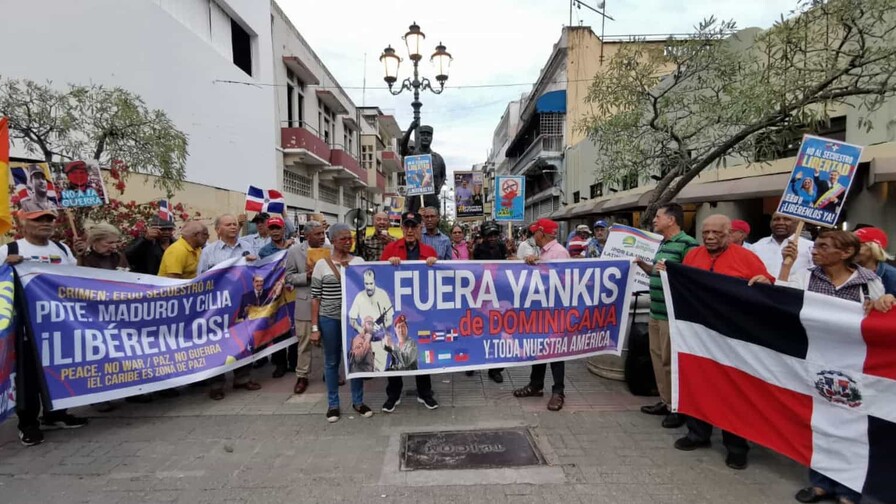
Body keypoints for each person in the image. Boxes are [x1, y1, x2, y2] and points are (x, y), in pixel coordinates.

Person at [773, 230, 894, 504]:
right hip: (816, 361)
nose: (815, 250)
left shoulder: (869, 282)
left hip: (855, 367)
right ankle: (820, 484)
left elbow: (882, 316)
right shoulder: (806, 276)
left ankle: (849, 489)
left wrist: (883, 302)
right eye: (815, 246)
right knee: (820, 423)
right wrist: (785, 267)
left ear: (845, 253)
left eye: (823, 246)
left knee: (852, 425)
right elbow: (782, 302)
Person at [672, 215, 774, 470]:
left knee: (733, 391)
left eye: (716, 232)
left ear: (729, 234)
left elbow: (767, 282)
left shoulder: (746, 257)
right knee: (699, 384)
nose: (709, 237)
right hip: (699, 335)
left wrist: (766, 281)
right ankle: (698, 434)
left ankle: (736, 446)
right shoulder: (693, 256)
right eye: (705, 232)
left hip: (732, 336)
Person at [0, 210, 86, 446]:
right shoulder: (9, 250)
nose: (46, 224)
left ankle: (56, 414)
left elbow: (75, 280)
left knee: (58, 368)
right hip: (26, 325)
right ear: (23, 223)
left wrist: (81, 256)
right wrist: (6, 266)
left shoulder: (62, 249)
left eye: (49, 219)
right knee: (28, 376)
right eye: (39, 220)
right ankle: (27, 424)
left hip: (58, 324)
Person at [634, 203, 698, 429]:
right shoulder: (663, 244)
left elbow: (692, 277)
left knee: (671, 362)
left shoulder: (688, 245)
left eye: (658, 217)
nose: (654, 220)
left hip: (672, 316)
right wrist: (643, 265)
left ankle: (677, 407)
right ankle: (665, 400)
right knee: (658, 359)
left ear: (671, 220)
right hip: (656, 313)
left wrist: (671, 271)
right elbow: (656, 271)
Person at [310, 223, 373, 423]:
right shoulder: (321, 265)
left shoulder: (359, 261)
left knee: (356, 359)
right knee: (331, 361)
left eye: (350, 238)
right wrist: (314, 328)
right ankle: (333, 404)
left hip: (353, 320)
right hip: (329, 319)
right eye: (343, 239)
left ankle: (358, 401)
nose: (348, 242)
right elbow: (315, 297)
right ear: (334, 241)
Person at [380, 211, 440, 413]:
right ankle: (393, 395)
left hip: (422, 312)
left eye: (414, 226)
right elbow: (381, 278)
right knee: (395, 351)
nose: (410, 230)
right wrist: (388, 266)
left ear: (420, 228)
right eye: (406, 226)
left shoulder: (429, 250)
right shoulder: (391, 249)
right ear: (402, 228)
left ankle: (425, 393)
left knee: (422, 350)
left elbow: (439, 281)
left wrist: (434, 264)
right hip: (397, 310)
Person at [196, 215, 260, 400]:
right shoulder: (209, 252)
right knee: (218, 342)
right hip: (218, 304)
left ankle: (242, 377)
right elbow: (202, 278)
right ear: (218, 229)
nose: (233, 227)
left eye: (235, 224)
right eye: (228, 224)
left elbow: (257, 272)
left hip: (242, 301)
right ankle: (217, 384)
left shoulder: (247, 248)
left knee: (242, 339)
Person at [513, 218, 569, 411]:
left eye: (535, 232)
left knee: (555, 351)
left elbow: (562, 282)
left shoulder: (559, 253)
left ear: (542, 233)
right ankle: (536, 385)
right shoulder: (543, 252)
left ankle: (558, 391)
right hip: (541, 311)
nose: (532, 236)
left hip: (555, 311)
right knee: (540, 348)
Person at [282, 220, 329, 394]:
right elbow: (288, 277)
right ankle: (302, 376)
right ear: (307, 236)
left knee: (329, 341)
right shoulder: (294, 251)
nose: (322, 237)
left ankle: (329, 372)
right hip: (305, 302)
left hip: (327, 302)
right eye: (317, 234)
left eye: (323, 233)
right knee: (304, 342)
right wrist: (306, 276)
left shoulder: (329, 251)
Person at [468, 221, 507, 383]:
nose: (492, 238)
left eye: (494, 235)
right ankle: (472, 362)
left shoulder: (503, 248)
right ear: (483, 236)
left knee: (496, 332)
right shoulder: (477, 250)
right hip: (480, 296)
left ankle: (495, 369)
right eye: (489, 235)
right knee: (477, 330)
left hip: (499, 296)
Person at [347, 268, 394, 372]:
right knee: (363, 372)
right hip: (365, 344)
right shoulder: (359, 296)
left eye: (371, 283)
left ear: (374, 281)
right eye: (366, 283)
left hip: (379, 342)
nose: (368, 286)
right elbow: (351, 319)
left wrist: (382, 326)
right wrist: (360, 330)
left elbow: (390, 318)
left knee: (380, 372)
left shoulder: (383, 295)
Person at [400, 120, 446, 212]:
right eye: (423, 135)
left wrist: (439, 188)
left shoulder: (438, 158)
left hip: (432, 198)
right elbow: (403, 146)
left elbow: (443, 176)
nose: (425, 137)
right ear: (419, 137)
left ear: (431, 138)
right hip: (414, 199)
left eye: (428, 135)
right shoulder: (412, 154)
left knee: (432, 221)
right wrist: (411, 128)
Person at [752, 213, 813, 280]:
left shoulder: (810, 247)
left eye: (787, 219)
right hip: (762, 289)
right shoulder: (756, 247)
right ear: (770, 223)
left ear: (797, 224)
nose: (780, 223)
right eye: (776, 219)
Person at [854, 227, 896, 295]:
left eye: (859, 246)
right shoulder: (842, 270)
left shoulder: (892, 276)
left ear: (874, 248)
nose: (851, 250)